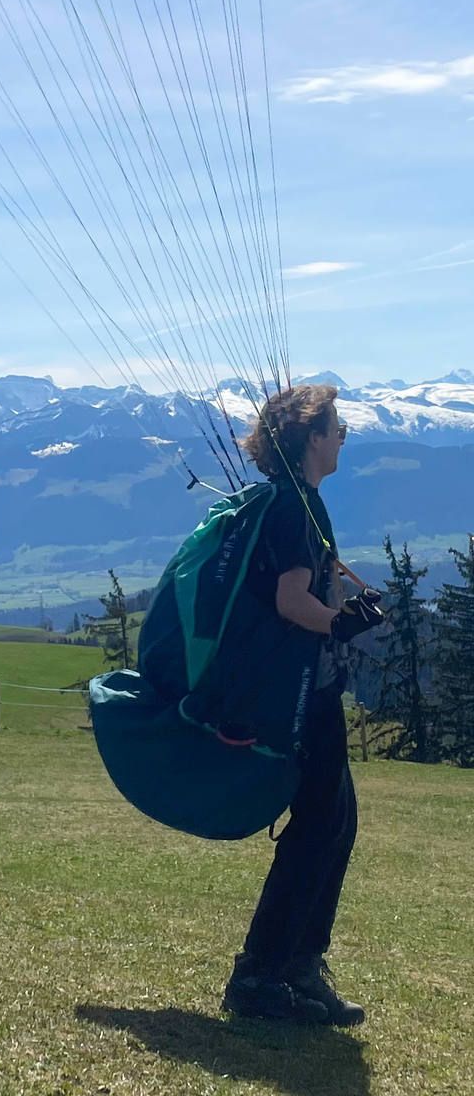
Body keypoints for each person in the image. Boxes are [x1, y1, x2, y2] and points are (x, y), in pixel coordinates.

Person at [222, 384, 381, 1027]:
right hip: (300, 698)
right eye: (336, 427)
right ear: (312, 438)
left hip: (310, 691)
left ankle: (298, 966)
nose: (343, 436)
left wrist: (345, 611)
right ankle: (261, 974)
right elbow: (292, 600)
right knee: (318, 829)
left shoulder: (302, 503)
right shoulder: (294, 506)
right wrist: (339, 625)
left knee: (334, 825)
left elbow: (307, 587)